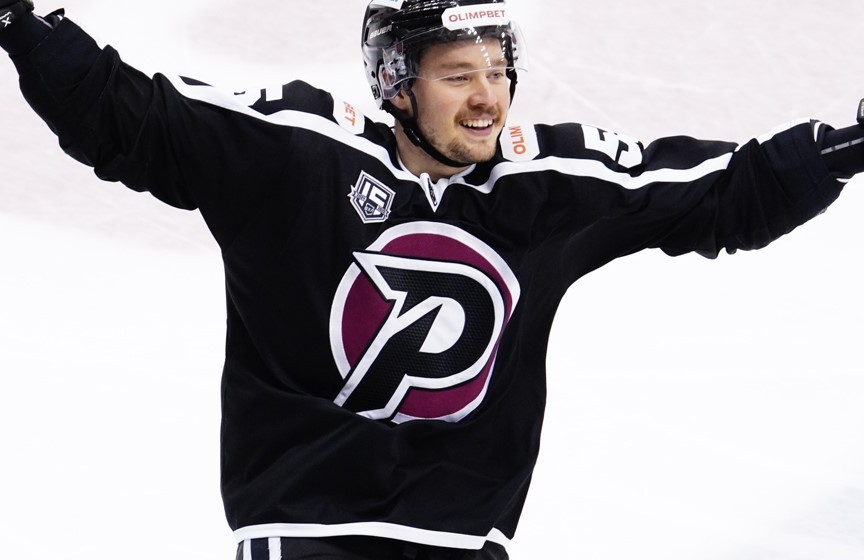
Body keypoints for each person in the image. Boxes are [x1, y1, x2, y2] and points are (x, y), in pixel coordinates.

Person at [1, 1, 863, 559]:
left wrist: (842, 147)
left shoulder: (543, 186)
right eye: (458, 76)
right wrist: (26, 24)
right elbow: (128, 116)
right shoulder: (297, 155)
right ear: (396, 86)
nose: (487, 97)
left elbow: (722, 195)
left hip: (464, 542)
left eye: (497, 72)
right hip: (305, 533)